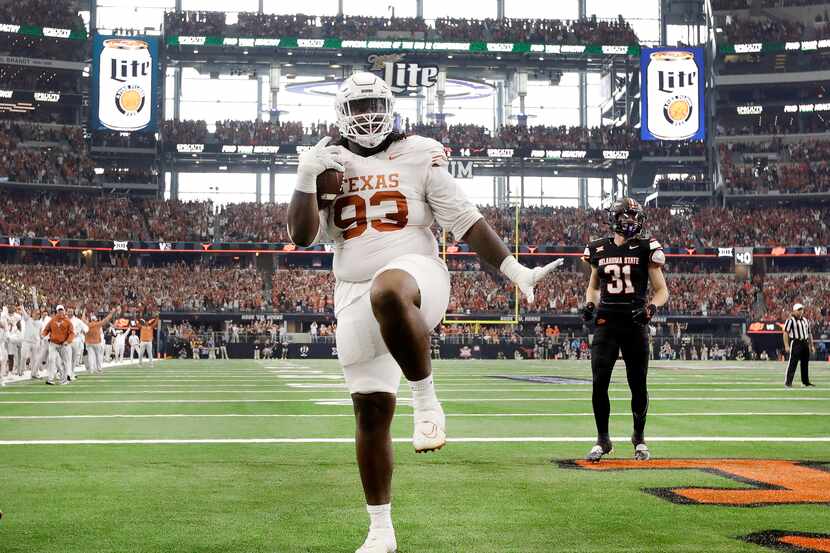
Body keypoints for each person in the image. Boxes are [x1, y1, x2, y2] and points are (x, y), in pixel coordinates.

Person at [287, 71, 563, 553]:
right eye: (358, 106)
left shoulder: (420, 151)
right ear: (340, 114)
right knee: (370, 411)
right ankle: (380, 530)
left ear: (392, 105)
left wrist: (515, 271)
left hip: (418, 276)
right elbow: (301, 236)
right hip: (349, 289)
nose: (368, 115)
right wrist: (305, 177)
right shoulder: (325, 160)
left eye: (376, 103)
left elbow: (465, 220)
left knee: (389, 289)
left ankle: (427, 398)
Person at [581, 197, 669, 462]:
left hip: (635, 322)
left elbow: (662, 290)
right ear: (614, 218)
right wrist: (589, 304)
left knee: (638, 385)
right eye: (626, 216)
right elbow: (594, 286)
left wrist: (650, 308)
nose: (631, 221)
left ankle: (639, 438)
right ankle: (602, 440)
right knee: (599, 384)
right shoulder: (598, 248)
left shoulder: (646, 247)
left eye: (635, 216)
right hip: (607, 322)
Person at [784, 303, 815, 387]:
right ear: (794, 311)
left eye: (801, 309)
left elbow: (809, 333)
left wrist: (811, 345)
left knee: (805, 363)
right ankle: (788, 382)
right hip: (796, 342)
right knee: (793, 362)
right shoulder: (790, 320)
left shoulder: (805, 320)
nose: (801, 311)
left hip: (805, 342)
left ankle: (805, 382)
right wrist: (786, 345)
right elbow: (786, 332)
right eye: (799, 310)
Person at [41, 305, 74, 385]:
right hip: (53, 343)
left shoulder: (68, 321)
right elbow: (46, 329)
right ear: (56, 311)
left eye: (62, 310)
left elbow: (72, 333)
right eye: (59, 310)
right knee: (51, 359)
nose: (60, 312)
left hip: (63, 344)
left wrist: (68, 341)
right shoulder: (52, 320)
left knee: (65, 361)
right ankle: (50, 379)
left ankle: (65, 378)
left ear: (64, 311)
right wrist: (43, 334)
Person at [82, 306, 119, 375]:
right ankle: (99, 369)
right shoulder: (98, 324)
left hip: (89, 343)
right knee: (98, 356)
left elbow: (83, 319)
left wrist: (84, 312)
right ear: (95, 319)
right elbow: (107, 319)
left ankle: (91, 370)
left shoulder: (88, 324)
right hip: (96, 342)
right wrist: (112, 312)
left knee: (90, 356)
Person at [67, 307, 88, 380]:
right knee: (67, 358)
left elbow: (86, 328)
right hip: (66, 341)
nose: (70, 313)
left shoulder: (77, 321)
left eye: (71, 311)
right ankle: (68, 373)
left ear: (73, 312)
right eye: (68, 311)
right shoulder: (64, 320)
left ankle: (71, 373)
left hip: (75, 341)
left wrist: (82, 331)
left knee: (73, 359)